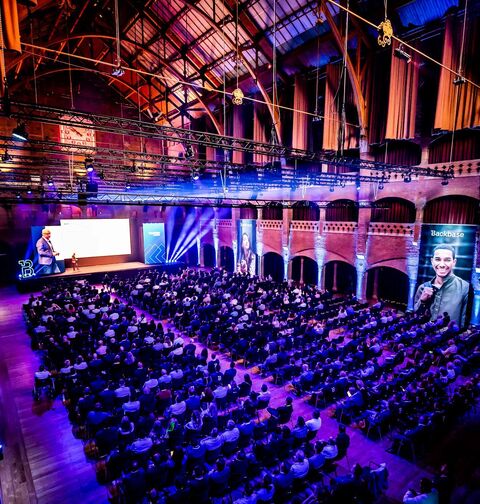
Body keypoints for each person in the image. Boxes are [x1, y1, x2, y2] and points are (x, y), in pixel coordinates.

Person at [414, 244, 469, 328]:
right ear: (432, 261)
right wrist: (422, 302)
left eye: (447, 260)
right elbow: (415, 318)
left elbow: (464, 325)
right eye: (438, 259)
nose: (442, 264)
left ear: (454, 262)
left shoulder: (465, 288)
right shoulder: (422, 288)